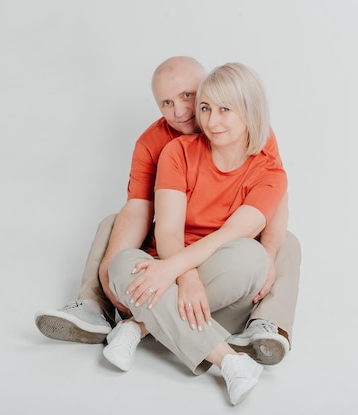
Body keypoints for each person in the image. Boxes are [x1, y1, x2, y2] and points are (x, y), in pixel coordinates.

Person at [34, 56, 301, 366]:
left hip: (223, 253)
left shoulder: (247, 128)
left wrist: (267, 255)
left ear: (208, 89)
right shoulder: (157, 143)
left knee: (285, 243)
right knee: (112, 227)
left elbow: (274, 196)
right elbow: (138, 208)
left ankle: (263, 322)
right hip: (172, 246)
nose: (181, 110)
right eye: (167, 102)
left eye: (189, 96)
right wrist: (111, 271)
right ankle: (95, 305)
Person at [103, 62, 287, 405]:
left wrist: (178, 276)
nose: (211, 121)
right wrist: (185, 277)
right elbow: (168, 229)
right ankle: (229, 360)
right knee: (121, 263)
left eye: (224, 110)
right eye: (206, 109)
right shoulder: (175, 151)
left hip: (216, 269)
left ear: (249, 110)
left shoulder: (270, 171)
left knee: (252, 257)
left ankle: (139, 327)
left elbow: (228, 235)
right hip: (169, 263)